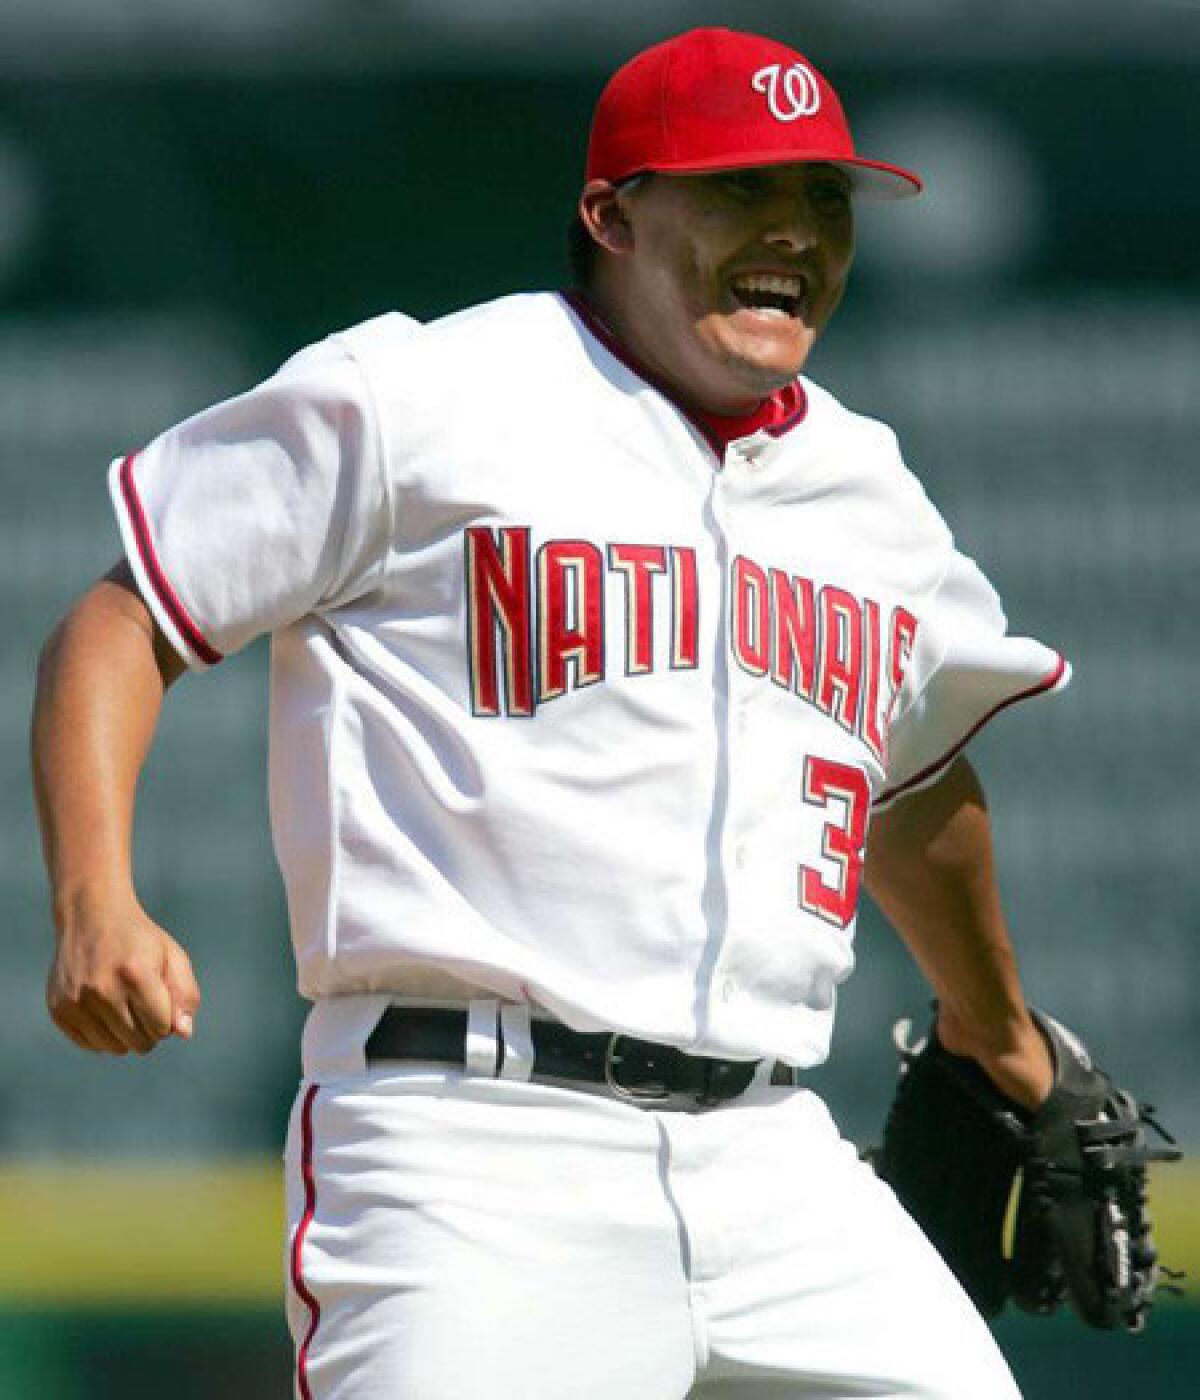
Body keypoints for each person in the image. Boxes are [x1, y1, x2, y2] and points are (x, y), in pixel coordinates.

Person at [32, 26, 1068, 1399]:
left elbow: (914, 782)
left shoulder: (870, 495)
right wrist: (96, 900)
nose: (794, 234)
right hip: (471, 1144)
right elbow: (124, 620)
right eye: (741, 190)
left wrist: (994, 1026)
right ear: (613, 214)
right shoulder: (421, 397)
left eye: (823, 199)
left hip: (774, 1154)